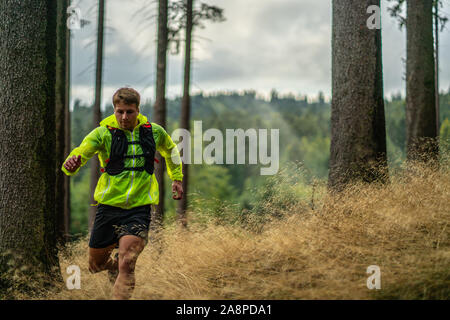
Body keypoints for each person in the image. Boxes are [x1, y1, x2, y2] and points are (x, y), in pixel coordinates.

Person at [62, 87, 183, 299]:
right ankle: (114, 267)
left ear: (138, 110)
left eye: (129, 111)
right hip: (108, 207)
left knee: (127, 262)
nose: (124, 117)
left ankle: (121, 271)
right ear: (114, 110)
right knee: (95, 265)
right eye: (120, 111)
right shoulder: (103, 133)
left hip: (139, 208)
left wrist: (177, 178)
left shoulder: (154, 131)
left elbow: (171, 150)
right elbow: (81, 152)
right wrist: (71, 164)